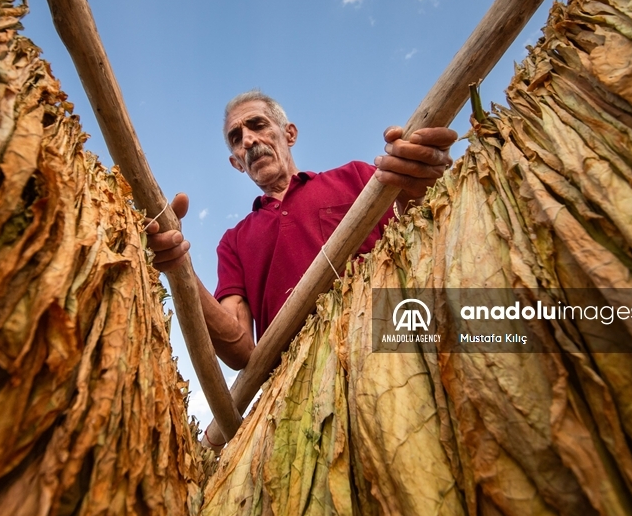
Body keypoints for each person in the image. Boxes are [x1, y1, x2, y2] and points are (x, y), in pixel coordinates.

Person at [146, 90, 456, 370]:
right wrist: (179, 268)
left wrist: (423, 181)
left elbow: (425, 234)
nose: (249, 141)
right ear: (236, 163)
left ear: (289, 134)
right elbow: (240, 352)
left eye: (257, 125)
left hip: (394, 347)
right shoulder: (233, 242)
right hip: (299, 381)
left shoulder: (360, 178)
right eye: (237, 138)